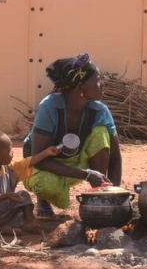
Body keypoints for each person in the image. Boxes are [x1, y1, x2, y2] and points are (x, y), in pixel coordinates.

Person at [22, 54, 122, 218]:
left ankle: (99, 193)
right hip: (39, 165)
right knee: (45, 184)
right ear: (80, 87)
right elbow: (38, 158)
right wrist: (87, 174)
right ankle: (43, 200)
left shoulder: (100, 111)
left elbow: (115, 158)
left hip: (76, 162)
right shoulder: (49, 107)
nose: (102, 84)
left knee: (101, 133)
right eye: (97, 80)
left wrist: (114, 196)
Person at [0, 131, 59, 236]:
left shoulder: (9, 168)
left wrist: (46, 153)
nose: (12, 152)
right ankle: (1, 230)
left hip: (8, 214)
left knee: (23, 194)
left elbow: (27, 163)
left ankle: (28, 222)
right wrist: (7, 196)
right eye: (9, 150)